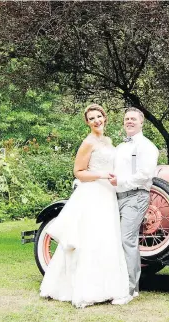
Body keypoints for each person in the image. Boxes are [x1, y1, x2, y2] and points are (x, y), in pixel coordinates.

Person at [40, 104, 131, 308]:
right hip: (93, 193)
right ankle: (86, 289)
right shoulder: (88, 143)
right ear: (87, 122)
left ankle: (109, 287)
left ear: (105, 118)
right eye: (92, 118)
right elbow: (78, 172)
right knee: (92, 239)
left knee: (108, 239)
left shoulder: (107, 141)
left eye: (99, 116)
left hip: (108, 194)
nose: (97, 120)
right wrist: (101, 175)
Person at [108, 107, 159, 300]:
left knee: (127, 240)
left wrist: (120, 182)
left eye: (133, 119)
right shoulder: (121, 147)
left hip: (136, 197)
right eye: (126, 119)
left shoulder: (147, 146)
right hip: (117, 197)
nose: (129, 121)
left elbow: (145, 175)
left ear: (141, 122)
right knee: (114, 240)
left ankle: (131, 289)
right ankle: (117, 282)